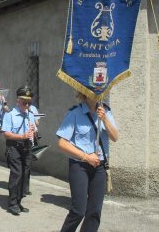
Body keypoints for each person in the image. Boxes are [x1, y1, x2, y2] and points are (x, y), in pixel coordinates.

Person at [56, 93, 118, 232]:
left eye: (99, 91)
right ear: (85, 94)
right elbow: (62, 143)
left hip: (100, 167)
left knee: (94, 211)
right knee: (79, 210)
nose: (97, 94)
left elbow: (115, 137)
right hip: (79, 166)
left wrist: (105, 119)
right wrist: (86, 156)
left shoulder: (106, 112)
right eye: (93, 91)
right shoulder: (75, 113)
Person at [1, 85, 37, 216]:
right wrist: (22, 136)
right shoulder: (9, 115)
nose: (26, 105)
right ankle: (12, 203)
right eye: (24, 102)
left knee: (25, 174)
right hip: (14, 146)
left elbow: (33, 132)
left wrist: (33, 131)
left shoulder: (30, 114)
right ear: (18, 101)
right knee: (17, 174)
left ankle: (19, 200)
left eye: (28, 102)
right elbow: (6, 133)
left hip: (26, 147)